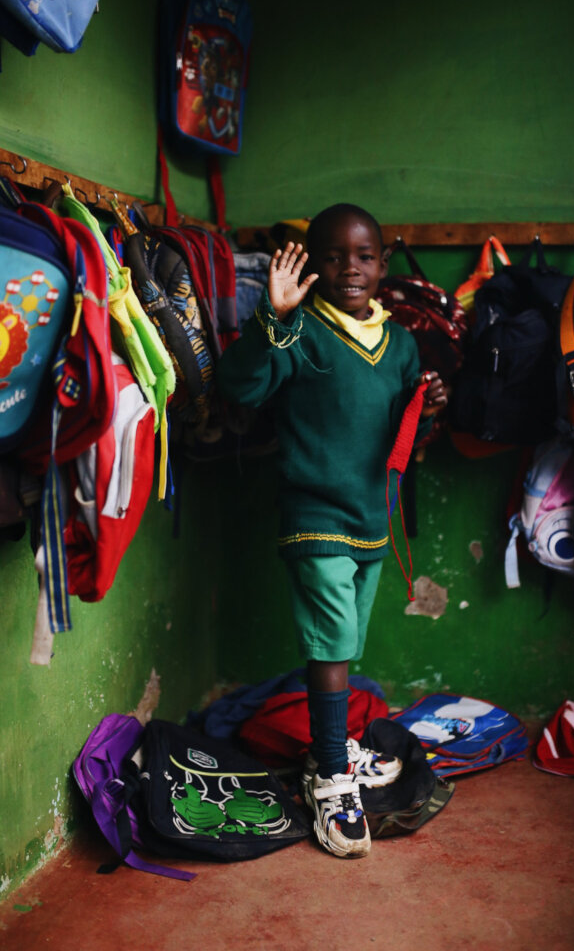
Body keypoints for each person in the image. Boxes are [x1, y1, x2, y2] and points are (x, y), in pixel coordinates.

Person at [217, 203, 447, 858]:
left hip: (372, 517)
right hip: (314, 516)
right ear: (312, 264)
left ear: (384, 264)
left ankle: (324, 753)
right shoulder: (300, 331)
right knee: (332, 648)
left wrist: (427, 410)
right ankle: (333, 782)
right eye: (334, 256)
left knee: (346, 649)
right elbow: (240, 385)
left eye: (365, 256)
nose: (350, 268)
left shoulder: (399, 342)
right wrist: (273, 317)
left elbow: (407, 436)